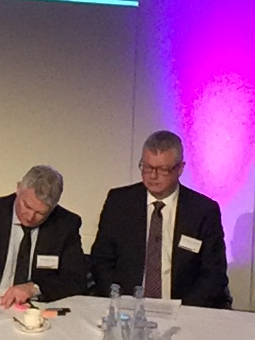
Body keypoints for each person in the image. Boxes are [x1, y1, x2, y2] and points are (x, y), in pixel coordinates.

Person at [87, 129, 231, 307]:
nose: (152, 176)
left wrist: (184, 309)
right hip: (127, 307)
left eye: (163, 169)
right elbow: (101, 260)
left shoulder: (202, 211)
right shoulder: (119, 202)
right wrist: (119, 300)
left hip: (185, 309)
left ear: (180, 169)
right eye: (147, 167)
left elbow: (213, 273)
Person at [0, 165, 87, 310]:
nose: (31, 217)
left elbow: (76, 279)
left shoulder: (65, 224)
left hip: (37, 308)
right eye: (27, 206)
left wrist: (34, 288)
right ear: (18, 189)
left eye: (41, 213)